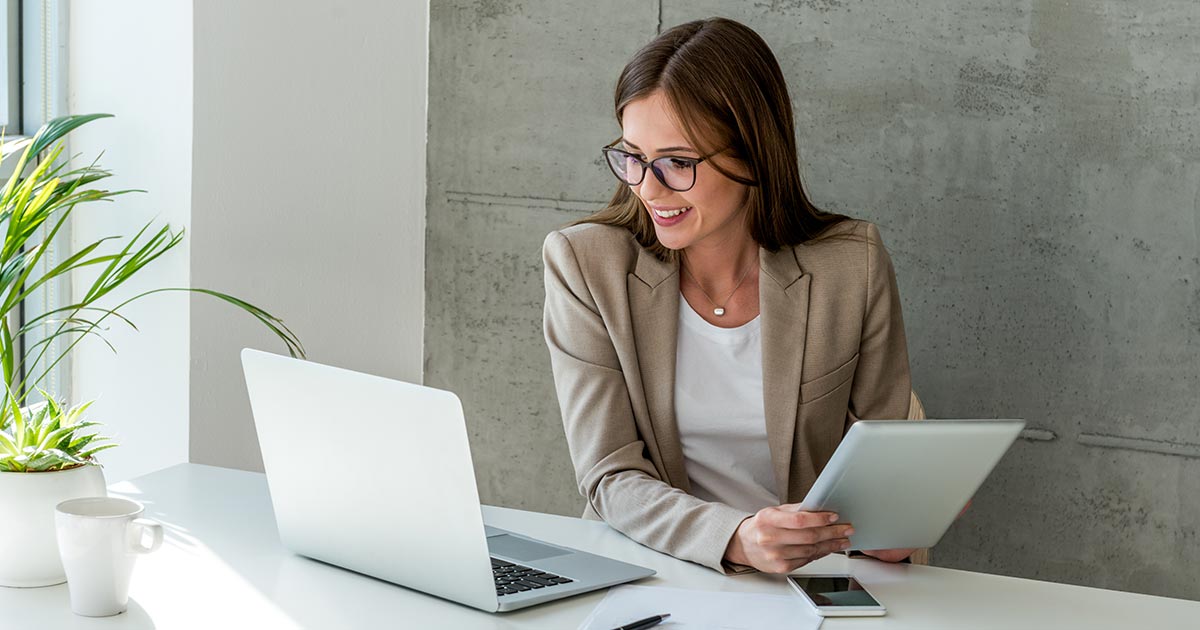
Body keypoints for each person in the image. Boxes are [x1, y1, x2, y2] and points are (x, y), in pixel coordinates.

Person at [541, 17, 920, 575]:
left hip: (806, 583)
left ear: (752, 155)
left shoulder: (851, 265)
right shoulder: (586, 265)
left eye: (677, 162)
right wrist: (736, 538)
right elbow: (609, 476)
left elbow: (879, 471)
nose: (647, 187)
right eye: (632, 156)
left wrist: (895, 522)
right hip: (652, 569)